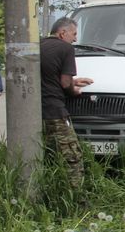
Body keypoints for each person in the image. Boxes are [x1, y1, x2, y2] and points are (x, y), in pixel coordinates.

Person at [40, 17, 94, 189]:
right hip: (55, 111)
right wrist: (74, 90)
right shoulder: (66, 48)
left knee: (48, 154)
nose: (75, 39)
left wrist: (74, 80)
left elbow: (49, 76)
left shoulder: (39, 46)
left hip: (37, 111)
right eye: (74, 33)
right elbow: (64, 83)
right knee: (72, 156)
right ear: (62, 33)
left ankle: (48, 191)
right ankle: (76, 197)